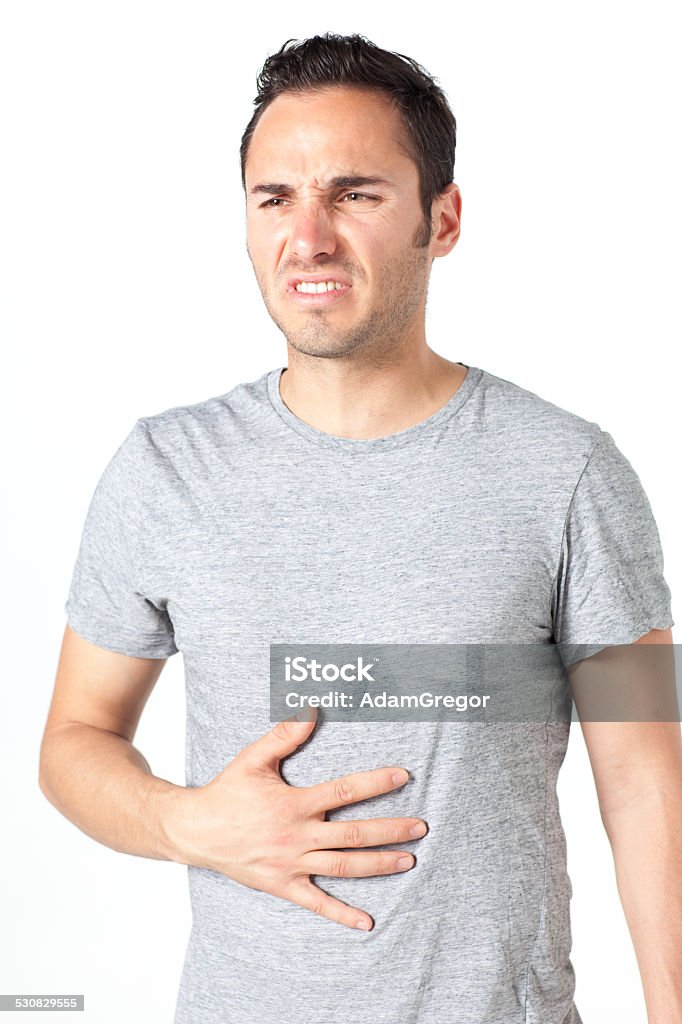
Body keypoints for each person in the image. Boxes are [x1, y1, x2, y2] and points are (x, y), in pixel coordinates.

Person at [39, 32, 681, 1024]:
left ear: (443, 217)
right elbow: (74, 741)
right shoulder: (165, 468)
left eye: (355, 193)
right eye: (275, 198)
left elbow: (645, 770)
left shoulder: (570, 471)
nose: (310, 236)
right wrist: (190, 820)